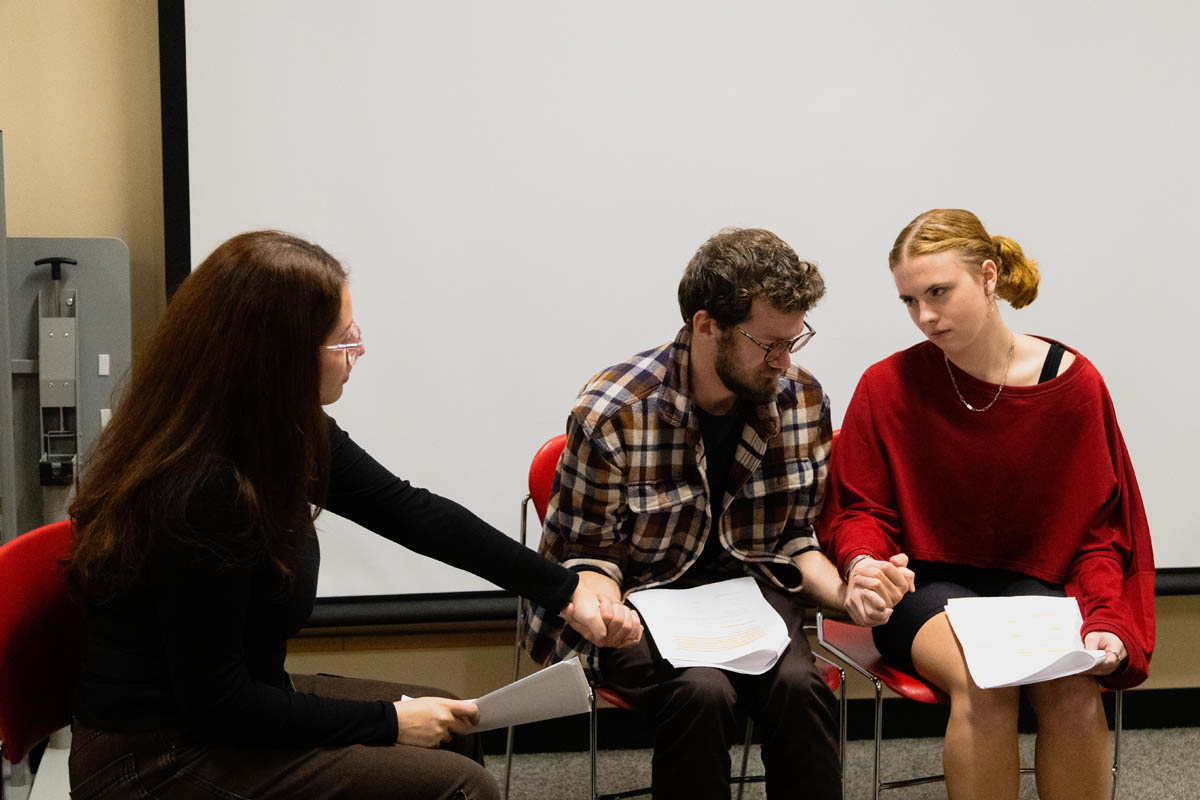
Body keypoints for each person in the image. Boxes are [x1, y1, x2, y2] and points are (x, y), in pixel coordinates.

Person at [65, 230, 642, 800]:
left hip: (222, 715)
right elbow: (221, 705)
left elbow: (413, 513)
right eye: (342, 340)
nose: (357, 352)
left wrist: (565, 592)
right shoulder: (203, 488)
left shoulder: (282, 432)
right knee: (458, 785)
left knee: (454, 732)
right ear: (281, 359)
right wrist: (390, 722)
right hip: (156, 762)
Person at [524, 227, 906, 800]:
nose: (783, 361)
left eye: (793, 341)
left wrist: (846, 591)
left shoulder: (799, 399)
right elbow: (588, 555)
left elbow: (797, 540)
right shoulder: (615, 412)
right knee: (703, 692)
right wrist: (601, 608)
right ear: (707, 326)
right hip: (642, 601)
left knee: (804, 687)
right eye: (767, 343)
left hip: (750, 599)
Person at [817, 208, 1155, 800]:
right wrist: (863, 562)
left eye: (939, 292)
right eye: (909, 300)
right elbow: (859, 510)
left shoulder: (1073, 385)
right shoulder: (886, 384)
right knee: (984, 680)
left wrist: (1105, 617)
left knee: (1073, 689)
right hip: (924, 588)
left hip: (1039, 588)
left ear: (990, 276)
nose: (924, 316)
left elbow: (1101, 532)